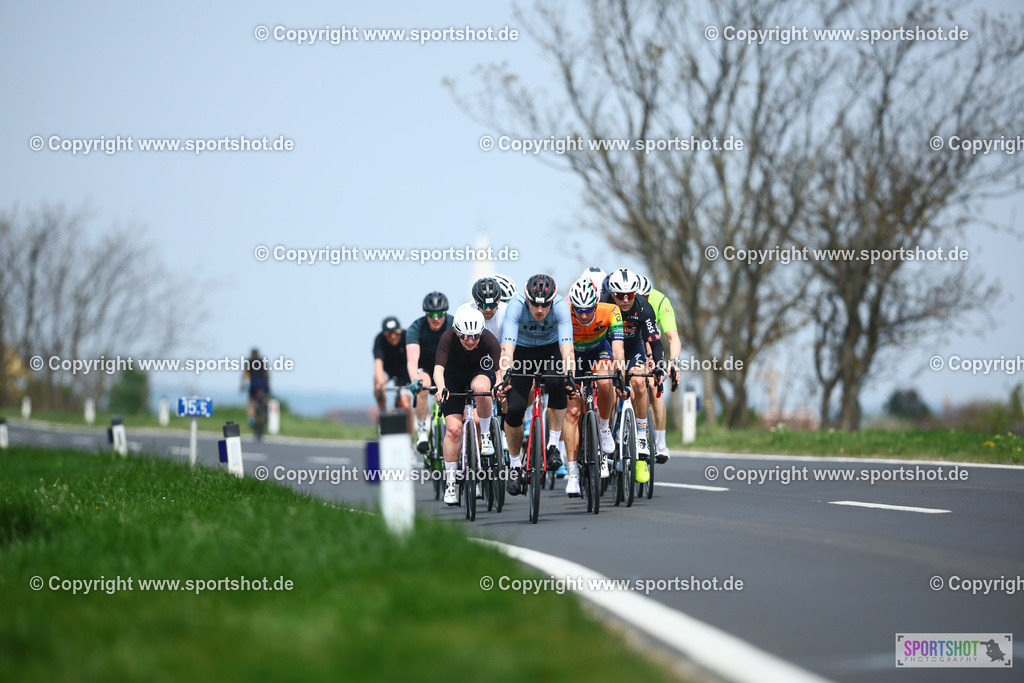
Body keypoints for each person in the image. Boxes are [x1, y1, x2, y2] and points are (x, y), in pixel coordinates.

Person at [495, 274, 575, 496]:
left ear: (552, 300)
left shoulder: (560, 307)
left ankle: (552, 446)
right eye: (535, 304)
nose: (539, 309)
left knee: (557, 382)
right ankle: (514, 465)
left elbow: (567, 349)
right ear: (527, 298)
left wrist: (570, 376)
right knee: (515, 409)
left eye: (545, 304)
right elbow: (507, 350)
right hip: (522, 350)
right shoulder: (516, 306)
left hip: (550, 350)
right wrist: (504, 378)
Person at [562, 276, 626, 497]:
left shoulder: (610, 311)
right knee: (572, 411)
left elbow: (618, 349)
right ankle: (572, 474)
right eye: (578, 310)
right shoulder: (564, 311)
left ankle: (604, 426)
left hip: (600, 352)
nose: (583, 315)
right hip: (574, 356)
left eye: (588, 309)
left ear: (596, 303)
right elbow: (565, 350)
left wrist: (621, 375)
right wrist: (569, 377)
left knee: (605, 382)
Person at [432, 308, 503, 505]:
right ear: (457, 332)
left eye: (474, 337)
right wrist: (441, 388)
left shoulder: (488, 339)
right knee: (453, 430)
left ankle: (486, 436)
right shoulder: (447, 337)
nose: (471, 341)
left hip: (478, 371)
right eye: (465, 337)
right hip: (453, 377)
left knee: (481, 389)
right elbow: (438, 369)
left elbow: (499, 371)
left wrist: (499, 386)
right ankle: (451, 482)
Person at [606, 268, 665, 483]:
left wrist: (659, 366)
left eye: (629, 295)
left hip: (634, 348)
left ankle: (640, 438)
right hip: (608, 347)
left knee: (640, 382)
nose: (624, 300)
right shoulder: (604, 305)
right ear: (611, 293)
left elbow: (655, 341)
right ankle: (606, 436)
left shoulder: (643, 307)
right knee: (609, 391)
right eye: (620, 295)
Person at [637, 274, 682, 462]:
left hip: (651, 343)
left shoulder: (660, 300)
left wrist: (674, 363)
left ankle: (661, 444)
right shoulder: (623, 300)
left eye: (646, 297)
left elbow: (673, 337)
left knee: (655, 385)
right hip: (631, 342)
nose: (642, 301)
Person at [406, 292, 453, 453]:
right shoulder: (416, 327)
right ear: (425, 314)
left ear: (445, 313)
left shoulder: (454, 324)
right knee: (422, 384)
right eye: (431, 314)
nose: (435, 318)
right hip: (425, 368)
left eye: (440, 314)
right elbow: (412, 359)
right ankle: (421, 432)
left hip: (447, 368)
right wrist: (414, 379)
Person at [372, 316, 414, 437]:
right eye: (390, 335)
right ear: (385, 334)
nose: (394, 337)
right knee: (377, 381)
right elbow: (378, 363)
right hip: (388, 371)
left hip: (405, 372)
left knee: (406, 404)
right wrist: (380, 384)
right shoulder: (379, 339)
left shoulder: (407, 337)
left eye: (396, 333)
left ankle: (410, 439)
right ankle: (382, 412)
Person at [242, 348, 270, 424]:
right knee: (265, 399)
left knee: (251, 401)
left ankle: (251, 416)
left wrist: (242, 385)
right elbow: (267, 374)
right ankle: (265, 413)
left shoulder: (249, 362)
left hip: (254, 384)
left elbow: (245, 375)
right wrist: (268, 386)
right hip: (263, 384)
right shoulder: (262, 362)